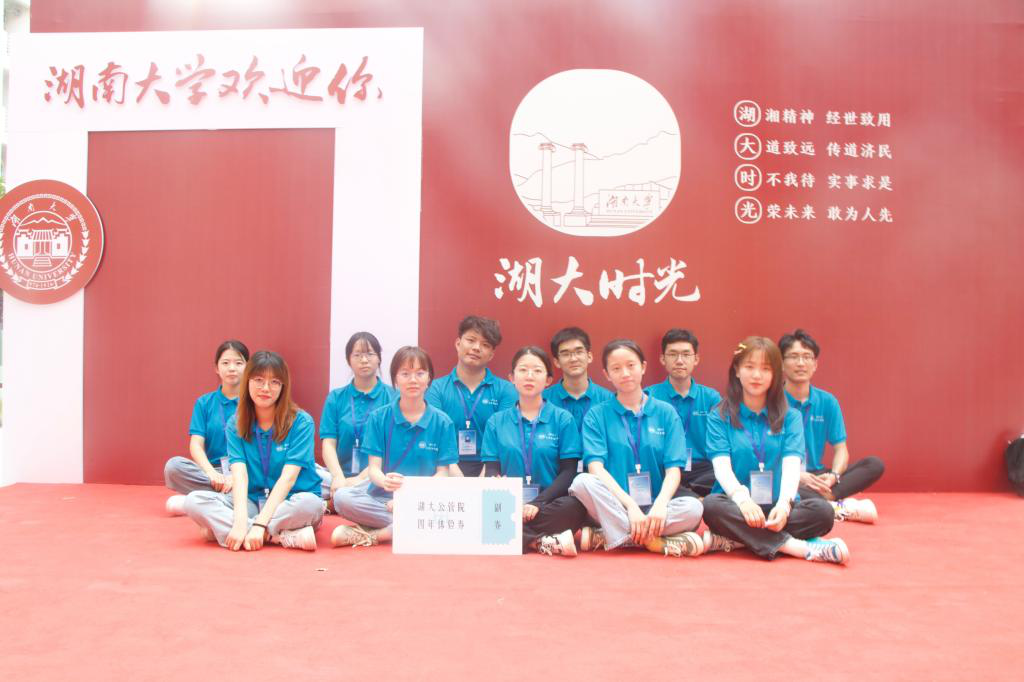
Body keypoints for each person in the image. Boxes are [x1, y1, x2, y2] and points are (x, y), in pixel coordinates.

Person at [701, 337, 849, 564]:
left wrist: (784, 505)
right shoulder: (719, 416)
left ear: (775, 375)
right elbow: (721, 468)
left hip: (777, 505)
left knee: (823, 513)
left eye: (765, 369)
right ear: (737, 370)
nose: (757, 375)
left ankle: (738, 539)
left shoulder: (790, 417)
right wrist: (743, 500)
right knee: (711, 506)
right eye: (749, 367)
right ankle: (799, 548)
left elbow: (792, 466)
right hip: (737, 505)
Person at [569, 340, 705, 557]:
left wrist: (660, 505)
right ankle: (649, 538)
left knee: (694, 508)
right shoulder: (597, 415)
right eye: (616, 368)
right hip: (614, 505)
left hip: (654, 508)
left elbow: (673, 470)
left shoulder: (666, 413)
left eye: (631, 365)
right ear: (606, 374)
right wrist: (631, 506)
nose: (625, 373)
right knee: (581, 482)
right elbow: (595, 468)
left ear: (643, 367)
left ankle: (614, 535)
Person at [183, 351, 324, 551]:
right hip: (253, 500)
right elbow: (239, 476)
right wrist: (241, 523)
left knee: (311, 504)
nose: (265, 388)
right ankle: (278, 537)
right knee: (193, 501)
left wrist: (259, 525)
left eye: (274, 382)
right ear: (247, 381)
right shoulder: (235, 424)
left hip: (290, 501)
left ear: (283, 387)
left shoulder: (301, 422)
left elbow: (288, 479)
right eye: (258, 380)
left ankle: (236, 530)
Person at [332, 346, 457, 547]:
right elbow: (373, 469)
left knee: (444, 513)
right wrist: (384, 481)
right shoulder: (379, 418)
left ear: (429, 378)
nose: (413, 380)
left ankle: (376, 535)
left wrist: (409, 498)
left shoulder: (443, 422)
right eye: (405, 374)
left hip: (424, 500)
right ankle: (410, 526)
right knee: (341, 498)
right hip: (383, 500)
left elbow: (443, 473)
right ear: (395, 380)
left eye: (420, 373)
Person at [481, 346, 588, 557]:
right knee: (486, 507)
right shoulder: (496, 421)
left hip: (549, 503)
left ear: (548, 380)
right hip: (508, 503)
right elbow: (492, 469)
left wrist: (537, 503)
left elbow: (568, 472)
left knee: (574, 507)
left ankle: (515, 537)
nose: (529, 376)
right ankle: (537, 541)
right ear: (512, 377)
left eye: (537, 371)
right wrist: (501, 489)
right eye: (523, 370)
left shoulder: (562, 419)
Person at [779, 329, 884, 522]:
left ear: (815, 365)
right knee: (770, 483)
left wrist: (834, 477)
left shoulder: (827, 401)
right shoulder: (772, 402)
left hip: (818, 476)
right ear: (782, 364)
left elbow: (841, 449)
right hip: (785, 473)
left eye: (807, 357)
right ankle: (837, 506)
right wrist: (798, 476)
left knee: (874, 464)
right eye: (793, 357)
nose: (801, 363)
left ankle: (827, 499)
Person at [164, 340, 250, 515]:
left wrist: (236, 477)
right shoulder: (204, 403)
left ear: (247, 367)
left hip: (246, 471)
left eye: (238, 363)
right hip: (213, 473)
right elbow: (196, 444)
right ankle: (222, 499)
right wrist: (212, 474)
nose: (232, 368)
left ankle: (197, 502)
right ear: (216, 368)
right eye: (225, 363)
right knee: (173, 467)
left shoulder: (255, 402)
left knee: (260, 479)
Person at [425, 315, 517, 477]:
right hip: (445, 466)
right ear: (458, 343)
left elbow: (504, 438)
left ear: (491, 354)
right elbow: (435, 435)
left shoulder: (506, 390)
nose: (476, 348)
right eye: (471, 340)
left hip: (492, 466)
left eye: (485, 344)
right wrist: (458, 478)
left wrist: (486, 475)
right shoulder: (436, 389)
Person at [318, 332, 397, 509]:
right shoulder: (336, 397)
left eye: (370, 354)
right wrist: (338, 477)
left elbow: (390, 450)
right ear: (348, 360)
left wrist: (359, 479)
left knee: (386, 480)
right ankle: (340, 499)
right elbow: (328, 444)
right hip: (337, 477)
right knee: (307, 475)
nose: (364, 360)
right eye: (357, 355)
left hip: (374, 476)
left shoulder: (393, 398)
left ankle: (333, 502)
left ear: (379, 358)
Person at [646, 328, 721, 497]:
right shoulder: (649, 396)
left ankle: (689, 494)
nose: (679, 361)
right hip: (666, 467)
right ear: (663, 359)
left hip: (703, 470)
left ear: (696, 359)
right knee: (654, 479)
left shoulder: (711, 397)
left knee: (724, 474)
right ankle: (694, 496)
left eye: (686, 354)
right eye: (673, 354)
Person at [543, 326, 614, 435]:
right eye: (566, 354)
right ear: (557, 362)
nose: (573, 359)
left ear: (589, 357)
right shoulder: (544, 399)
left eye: (579, 352)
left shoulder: (608, 399)